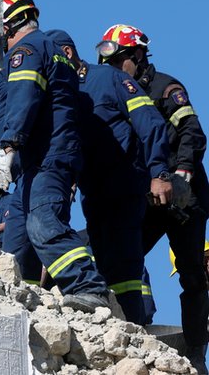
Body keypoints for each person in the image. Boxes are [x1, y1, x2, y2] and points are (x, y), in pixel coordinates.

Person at [0, 0, 110, 312]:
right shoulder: (42, 49)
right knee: (16, 246)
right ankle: (24, 304)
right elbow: (24, 105)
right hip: (34, 163)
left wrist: (9, 145)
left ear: (6, 25)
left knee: (43, 225)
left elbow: (24, 99)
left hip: (47, 161)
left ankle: (88, 286)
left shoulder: (27, 49)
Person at [97, 24, 209, 372]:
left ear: (137, 55)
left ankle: (195, 353)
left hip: (183, 197)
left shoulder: (166, 88)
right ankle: (124, 338)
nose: (114, 70)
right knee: (120, 260)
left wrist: (181, 177)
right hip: (146, 198)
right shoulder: (117, 95)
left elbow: (192, 133)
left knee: (192, 274)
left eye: (119, 62)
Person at [45, 29, 171, 325]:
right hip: (95, 194)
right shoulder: (62, 92)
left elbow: (151, 124)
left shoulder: (108, 79)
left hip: (125, 186)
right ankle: (115, 331)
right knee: (103, 263)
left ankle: (134, 331)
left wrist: (159, 173)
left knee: (126, 267)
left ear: (66, 54)